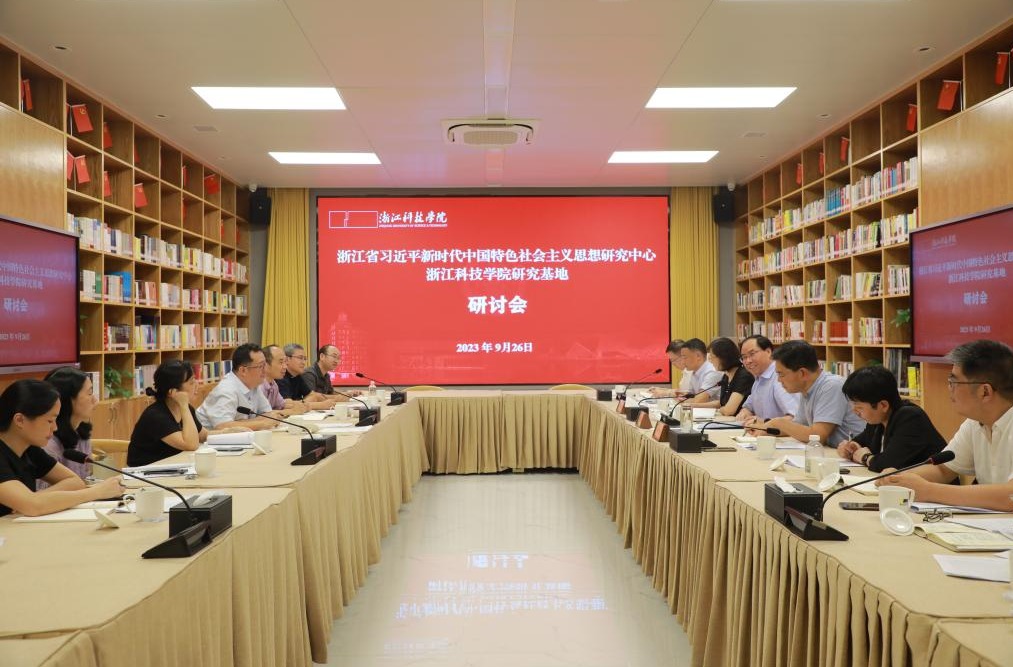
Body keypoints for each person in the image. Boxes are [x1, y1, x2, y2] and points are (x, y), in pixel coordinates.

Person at [880, 340, 1013, 511]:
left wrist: (929, 491)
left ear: (985, 392)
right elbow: (944, 470)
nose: (949, 388)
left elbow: (1010, 496)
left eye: (953, 382)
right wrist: (898, 479)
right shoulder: (975, 423)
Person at [0, 379, 123, 517]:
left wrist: (35, 499)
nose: (55, 428)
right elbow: (33, 507)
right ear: (20, 420)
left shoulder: (29, 449)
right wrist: (96, 492)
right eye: (49, 421)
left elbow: (75, 482)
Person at [748, 340, 865, 445]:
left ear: (802, 373)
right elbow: (799, 428)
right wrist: (765, 429)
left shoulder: (832, 386)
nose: (778, 380)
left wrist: (778, 423)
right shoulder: (807, 389)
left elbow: (817, 436)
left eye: (781, 374)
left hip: (853, 455)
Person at [836, 366, 946, 472]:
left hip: (933, 483)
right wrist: (850, 448)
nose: (854, 411)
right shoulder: (878, 419)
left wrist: (865, 458)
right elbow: (861, 442)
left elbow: (889, 464)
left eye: (859, 407)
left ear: (883, 405)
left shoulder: (911, 418)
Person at [128, 359, 211, 467]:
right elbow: (191, 445)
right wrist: (184, 406)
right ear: (173, 392)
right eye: (191, 382)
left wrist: (228, 433)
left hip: (171, 467)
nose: (197, 385)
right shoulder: (156, 416)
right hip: (146, 473)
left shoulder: (185, 409)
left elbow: (203, 435)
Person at [37, 367, 97, 489]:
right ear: (67, 399)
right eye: (89, 393)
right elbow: (42, 493)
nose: (95, 400)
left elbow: (86, 479)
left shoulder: (81, 433)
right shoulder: (47, 444)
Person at [196, 344, 281, 430]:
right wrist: (261, 423)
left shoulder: (253, 385)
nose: (265, 370)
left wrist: (255, 422)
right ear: (243, 370)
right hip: (209, 437)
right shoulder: (226, 390)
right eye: (260, 366)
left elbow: (268, 415)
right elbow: (223, 426)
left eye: (265, 365)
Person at [737, 335, 799, 423]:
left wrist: (763, 423)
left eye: (752, 354)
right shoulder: (759, 377)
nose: (748, 361)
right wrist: (745, 412)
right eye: (744, 357)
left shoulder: (780, 378)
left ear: (768, 352)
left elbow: (795, 418)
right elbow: (749, 407)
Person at [686, 337, 754, 416]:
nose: (710, 361)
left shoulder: (743, 376)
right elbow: (722, 403)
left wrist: (721, 409)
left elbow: (729, 410)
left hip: (740, 421)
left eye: (712, 357)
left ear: (724, 357)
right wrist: (693, 406)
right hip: (729, 420)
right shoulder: (726, 375)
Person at [277, 343, 336, 409]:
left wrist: (303, 403)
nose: (303, 362)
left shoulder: (297, 376)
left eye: (305, 359)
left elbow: (312, 395)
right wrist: (320, 405)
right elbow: (287, 405)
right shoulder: (280, 377)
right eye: (300, 358)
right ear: (287, 359)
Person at [261, 344, 308, 415]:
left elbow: (282, 404)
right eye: (281, 362)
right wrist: (293, 411)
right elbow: (263, 415)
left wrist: (301, 405)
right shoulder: (258, 385)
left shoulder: (273, 384)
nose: (285, 366)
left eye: (285, 362)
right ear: (266, 365)